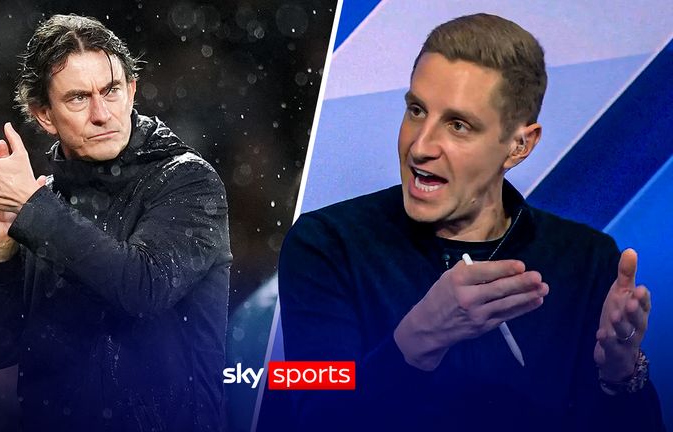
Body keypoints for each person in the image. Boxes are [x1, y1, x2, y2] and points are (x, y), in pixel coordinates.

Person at [276, 13, 664, 431]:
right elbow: (313, 414)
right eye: (416, 110)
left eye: (458, 125)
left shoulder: (587, 261)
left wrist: (620, 374)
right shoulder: (324, 245)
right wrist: (414, 342)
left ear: (519, 145)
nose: (420, 146)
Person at [0, 14, 231, 432]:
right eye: (77, 98)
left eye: (111, 91)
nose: (101, 113)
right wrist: (1, 251)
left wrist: (33, 209)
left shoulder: (187, 181)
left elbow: (142, 289)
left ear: (131, 91)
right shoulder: (44, 204)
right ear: (44, 116)